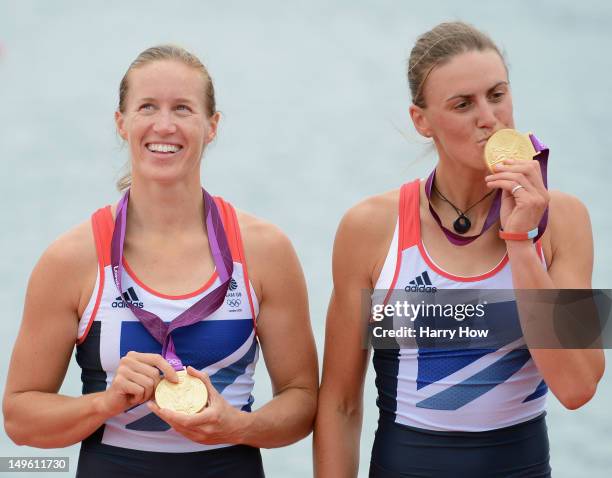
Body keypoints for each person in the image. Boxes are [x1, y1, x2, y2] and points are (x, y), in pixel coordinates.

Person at [3, 45, 318, 478]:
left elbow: (302, 402)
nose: (164, 125)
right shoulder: (71, 260)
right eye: (147, 107)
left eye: (183, 109)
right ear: (122, 122)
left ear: (212, 126)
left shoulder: (264, 250)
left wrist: (240, 425)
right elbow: (20, 419)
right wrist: (105, 402)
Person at [314, 22, 605, 477]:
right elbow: (340, 404)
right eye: (463, 104)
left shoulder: (564, 219)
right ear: (421, 120)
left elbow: (578, 387)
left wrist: (521, 243)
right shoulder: (368, 227)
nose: (488, 117)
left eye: (497, 94)